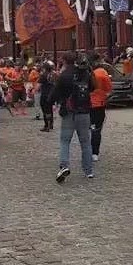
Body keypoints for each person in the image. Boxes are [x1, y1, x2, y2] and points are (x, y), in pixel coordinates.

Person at [47, 51, 99, 182]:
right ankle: (89, 171)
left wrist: (54, 101)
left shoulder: (64, 75)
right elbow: (92, 88)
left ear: (64, 61)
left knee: (65, 141)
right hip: (84, 111)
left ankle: (64, 166)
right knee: (85, 142)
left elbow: (53, 95)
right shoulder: (84, 73)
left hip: (69, 111)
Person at [87, 52, 111, 162]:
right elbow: (108, 89)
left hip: (85, 105)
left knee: (86, 129)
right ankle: (94, 152)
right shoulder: (102, 72)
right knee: (96, 130)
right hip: (99, 104)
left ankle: (86, 150)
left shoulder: (84, 72)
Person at [37, 60, 56, 132]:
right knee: (50, 109)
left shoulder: (43, 75)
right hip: (51, 94)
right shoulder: (54, 74)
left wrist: (34, 90)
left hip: (45, 94)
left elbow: (39, 85)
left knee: (45, 110)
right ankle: (51, 124)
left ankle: (47, 125)